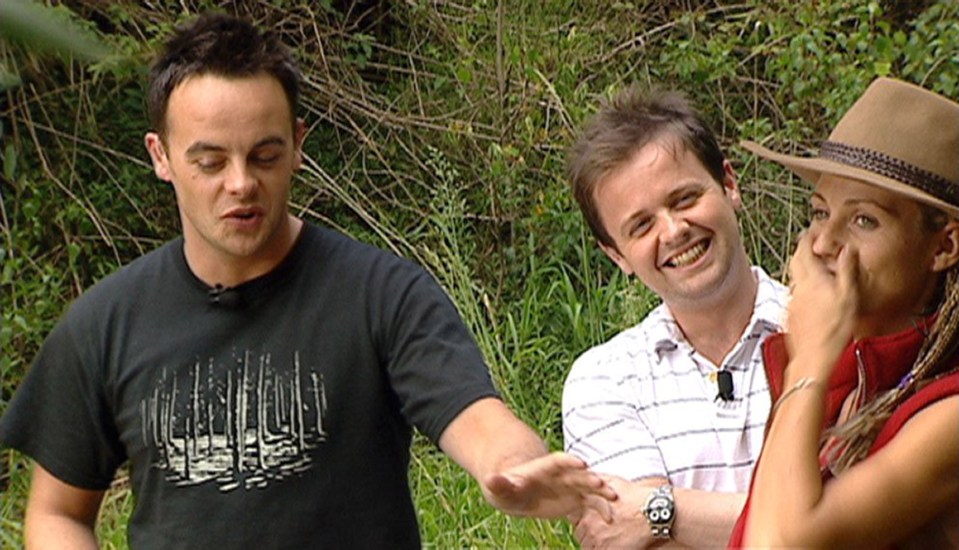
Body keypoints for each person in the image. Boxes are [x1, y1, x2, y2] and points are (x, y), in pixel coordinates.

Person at [0, 13, 616, 549]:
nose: (240, 183)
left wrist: (513, 468)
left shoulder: (382, 295)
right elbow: (57, 512)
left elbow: (478, 420)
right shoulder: (106, 323)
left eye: (264, 156)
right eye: (210, 161)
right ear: (161, 156)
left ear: (298, 146)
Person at [729, 77, 959, 548]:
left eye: (863, 220)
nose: (823, 242)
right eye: (818, 213)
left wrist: (808, 361)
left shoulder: (950, 411)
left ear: (945, 246)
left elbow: (781, 543)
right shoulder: (847, 379)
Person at [562, 85, 789, 548]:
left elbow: (870, 520)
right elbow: (622, 537)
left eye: (684, 199)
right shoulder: (603, 381)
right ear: (616, 255)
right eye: (640, 225)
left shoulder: (839, 333)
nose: (674, 230)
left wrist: (657, 510)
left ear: (729, 184)